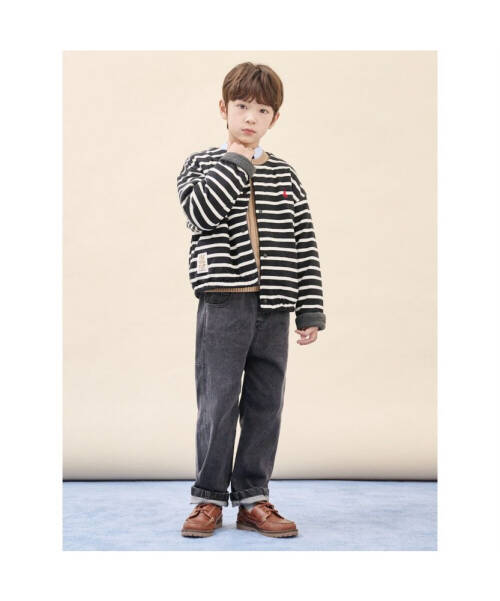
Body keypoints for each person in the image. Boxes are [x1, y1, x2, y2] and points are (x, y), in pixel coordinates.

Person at [176, 62, 326, 538]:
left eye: (262, 110)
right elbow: (202, 213)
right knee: (217, 403)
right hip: (223, 304)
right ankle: (208, 499)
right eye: (242, 106)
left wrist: (309, 307)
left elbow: (304, 243)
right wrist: (238, 161)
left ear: (274, 118)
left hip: (275, 307)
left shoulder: (286, 174)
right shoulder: (201, 165)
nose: (250, 117)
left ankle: (252, 499)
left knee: (265, 405)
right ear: (224, 108)